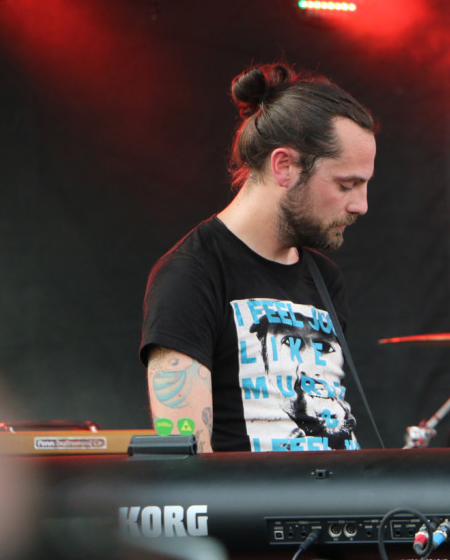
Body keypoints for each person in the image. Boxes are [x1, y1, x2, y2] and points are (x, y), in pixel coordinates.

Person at [140, 61, 376, 453]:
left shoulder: (323, 277)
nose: (361, 205)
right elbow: (182, 460)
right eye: (347, 184)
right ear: (284, 166)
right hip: (252, 511)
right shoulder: (191, 273)